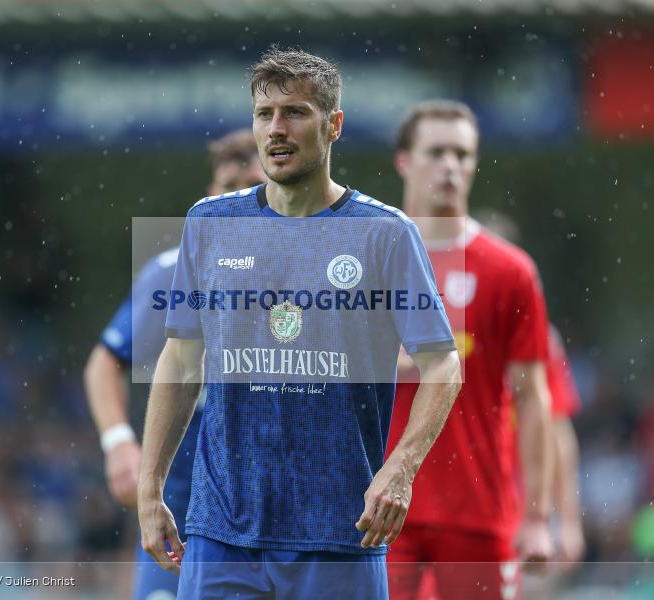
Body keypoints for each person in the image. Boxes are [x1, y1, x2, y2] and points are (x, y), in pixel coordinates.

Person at [136, 47, 462, 600]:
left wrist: (400, 469)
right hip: (223, 532)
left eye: (296, 113)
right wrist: (150, 489)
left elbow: (442, 363)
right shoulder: (209, 222)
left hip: (339, 533)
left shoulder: (384, 233)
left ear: (333, 125)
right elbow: (181, 359)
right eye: (264, 115)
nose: (276, 129)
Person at [83, 129, 265, 600]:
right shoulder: (173, 270)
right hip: (179, 506)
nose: (241, 196)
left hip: (274, 512)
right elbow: (105, 361)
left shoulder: (311, 274)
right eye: (230, 185)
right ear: (211, 195)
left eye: (254, 183)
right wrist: (120, 443)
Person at [385, 100, 554, 600]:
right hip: (379, 509)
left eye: (462, 154)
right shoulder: (364, 262)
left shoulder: (509, 271)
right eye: (436, 152)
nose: (450, 166)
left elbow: (534, 396)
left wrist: (539, 516)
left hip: (479, 510)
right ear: (404, 161)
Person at [474, 208, 586, 567]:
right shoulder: (440, 333)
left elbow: (557, 430)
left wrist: (566, 521)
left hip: (515, 504)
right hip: (455, 499)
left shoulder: (541, 342)